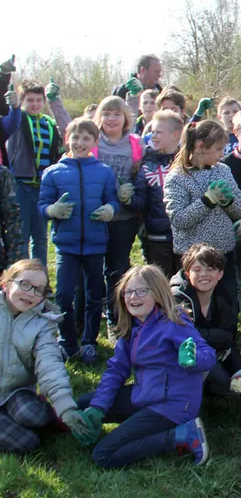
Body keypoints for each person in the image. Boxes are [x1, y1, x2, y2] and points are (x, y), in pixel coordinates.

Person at [75, 265, 216, 468]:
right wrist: (98, 407)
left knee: (103, 455)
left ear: (158, 293)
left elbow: (208, 355)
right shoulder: (131, 326)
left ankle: (182, 435)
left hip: (172, 405)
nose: (133, 297)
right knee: (84, 404)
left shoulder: (173, 322)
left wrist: (194, 358)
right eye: (128, 292)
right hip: (145, 395)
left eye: (141, 291)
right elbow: (116, 371)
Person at [39, 118, 119, 363]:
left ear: (95, 142)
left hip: (95, 244)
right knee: (63, 295)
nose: (80, 142)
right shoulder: (53, 173)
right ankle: (67, 342)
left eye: (86, 138)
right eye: (75, 137)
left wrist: (109, 210)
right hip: (66, 245)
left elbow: (113, 200)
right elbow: (41, 205)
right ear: (67, 139)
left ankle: (89, 341)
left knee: (95, 295)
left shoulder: (104, 172)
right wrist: (52, 210)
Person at [0, 259, 94, 453]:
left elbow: (50, 365)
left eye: (38, 289)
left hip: (14, 392)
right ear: (6, 284)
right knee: (28, 443)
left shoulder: (43, 323)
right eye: (25, 284)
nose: (30, 293)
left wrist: (66, 409)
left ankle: (40, 414)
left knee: (35, 416)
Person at [164, 120, 241, 314]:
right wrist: (207, 201)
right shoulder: (177, 178)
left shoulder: (223, 170)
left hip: (223, 253)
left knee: (226, 306)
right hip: (194, 260)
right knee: (194, 310)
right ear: (201, 147)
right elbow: (179, 219)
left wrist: (227, 202)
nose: (221, 154)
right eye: (218, 149)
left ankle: (227, 342)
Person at [93, 96, 146, 336]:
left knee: (117, 269)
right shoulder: (93, 141)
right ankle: (89, 320)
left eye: (117, 114)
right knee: (93, 270)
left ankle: (117, 322)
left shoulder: (135, 144)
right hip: (96, 217)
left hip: (124, 218)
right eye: (106, 113)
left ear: (125, 117)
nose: (111, 118)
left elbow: (143, 178)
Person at [171, 244, 241, 398]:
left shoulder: (224, 295)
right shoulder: (177, 297)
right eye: (197, 270)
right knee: (222, 383)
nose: (203, 275)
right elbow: (182, 337)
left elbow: (229, 337)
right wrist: (219, 337)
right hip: (180, 355)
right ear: (187, 273)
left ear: (220, 274)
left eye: (210, 269)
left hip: (211, 350)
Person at [3, 80, 65, 266]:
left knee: (40, 237)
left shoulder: (48, 122)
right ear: (22, 101)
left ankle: (41, 279)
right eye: (30, 100)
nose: (35, 104)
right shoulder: (18, 120)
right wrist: (13, 106)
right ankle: (22, 276)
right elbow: (10, 119)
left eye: (39, 100)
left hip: (42, 187)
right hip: (20, 185)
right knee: (21, 235)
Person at [132, 110, 183, 278]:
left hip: (185, 234)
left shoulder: (188, 163)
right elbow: (140, 202)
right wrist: (127, 197)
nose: (153, 136)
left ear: (175, 135)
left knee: (186, 280)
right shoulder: (147, 164)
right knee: (162, 281)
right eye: (152, 132)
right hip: (157, 236)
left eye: (158, 132)